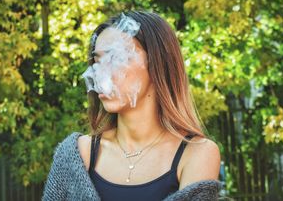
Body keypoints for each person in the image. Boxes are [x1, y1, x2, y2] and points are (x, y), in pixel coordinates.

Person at [42, 11, 222, 201]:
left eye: (116, 58)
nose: (99, 75)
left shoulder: (197, 153)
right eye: (97, 62)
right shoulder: (76, 154)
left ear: (156, 63)